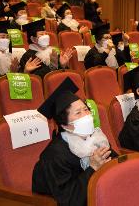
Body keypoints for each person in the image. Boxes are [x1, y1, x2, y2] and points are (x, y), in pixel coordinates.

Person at [33, 77, 118, 206]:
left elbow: (115, 161)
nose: (87, 115)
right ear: (65, 126)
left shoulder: (95, 137)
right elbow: (70, 199)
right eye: (78, 113)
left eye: (86, 109)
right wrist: (93, 167)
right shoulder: (55, 155)